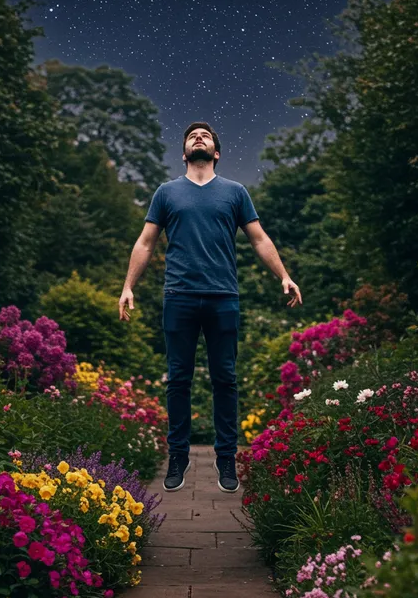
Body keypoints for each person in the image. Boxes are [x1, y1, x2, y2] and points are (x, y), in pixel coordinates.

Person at [118, 122, 302, 494]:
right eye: (192, 136)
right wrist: (127, 286)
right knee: (178, 380)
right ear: (184, 153)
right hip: (179, 296)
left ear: (216, 153)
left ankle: (226, 459)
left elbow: (259, 238)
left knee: (225, 379)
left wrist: (284, 275)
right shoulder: (166, 193)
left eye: (205, 136)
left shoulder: (235, 192)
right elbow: (145, 242)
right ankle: (178, 456)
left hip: (223, 297)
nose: (198, 137)